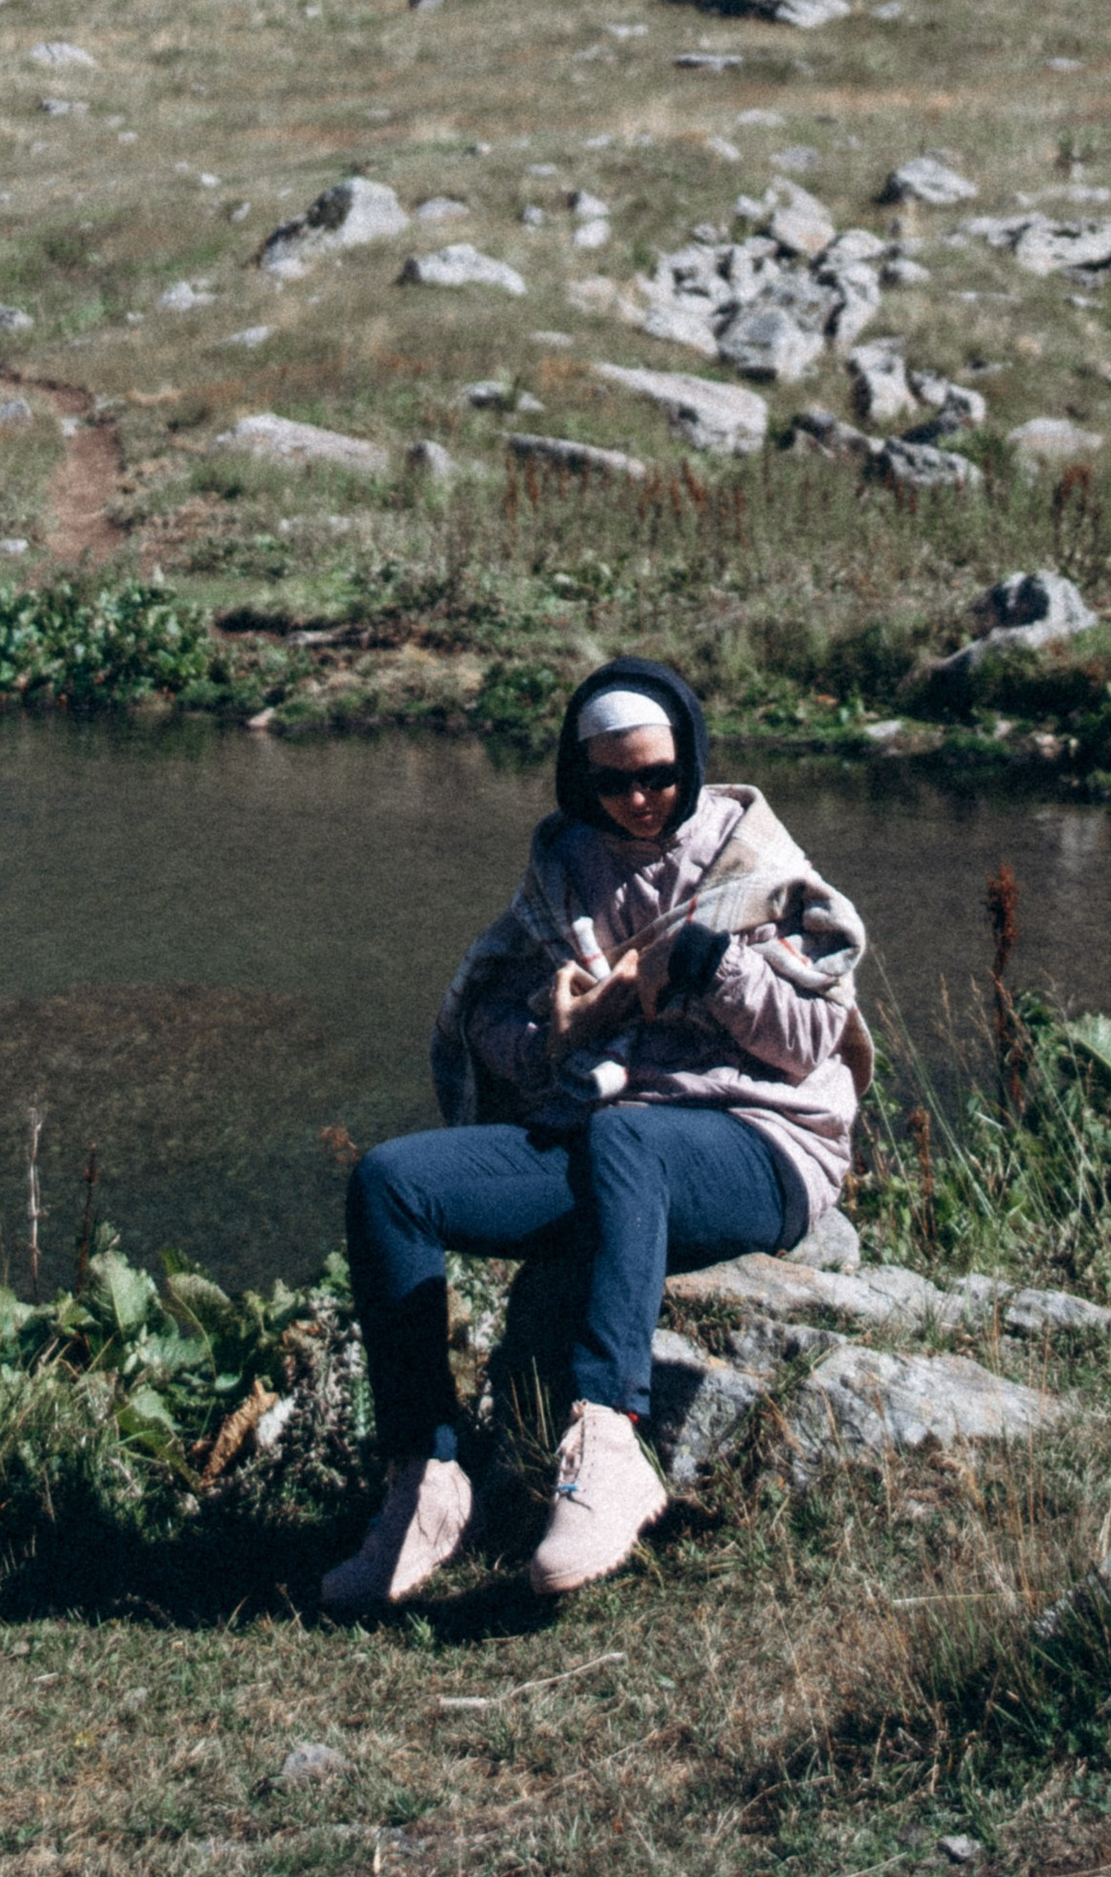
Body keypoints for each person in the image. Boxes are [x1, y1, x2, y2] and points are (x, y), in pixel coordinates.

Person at [320, 655, 872, 1613]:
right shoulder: (562, 867)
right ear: (582, 778)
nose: (641, 798)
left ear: (691, 760)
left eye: (659, 774)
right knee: (391, 1181)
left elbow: (810, 1040)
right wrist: (560, 1028)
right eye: (614, 781)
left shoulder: (751, 856)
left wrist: (707, 965)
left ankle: (611, 1443)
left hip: (759, 1139)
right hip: (605, 1129)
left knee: (629, 1135)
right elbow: (486, 1022)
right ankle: (428, 1479)